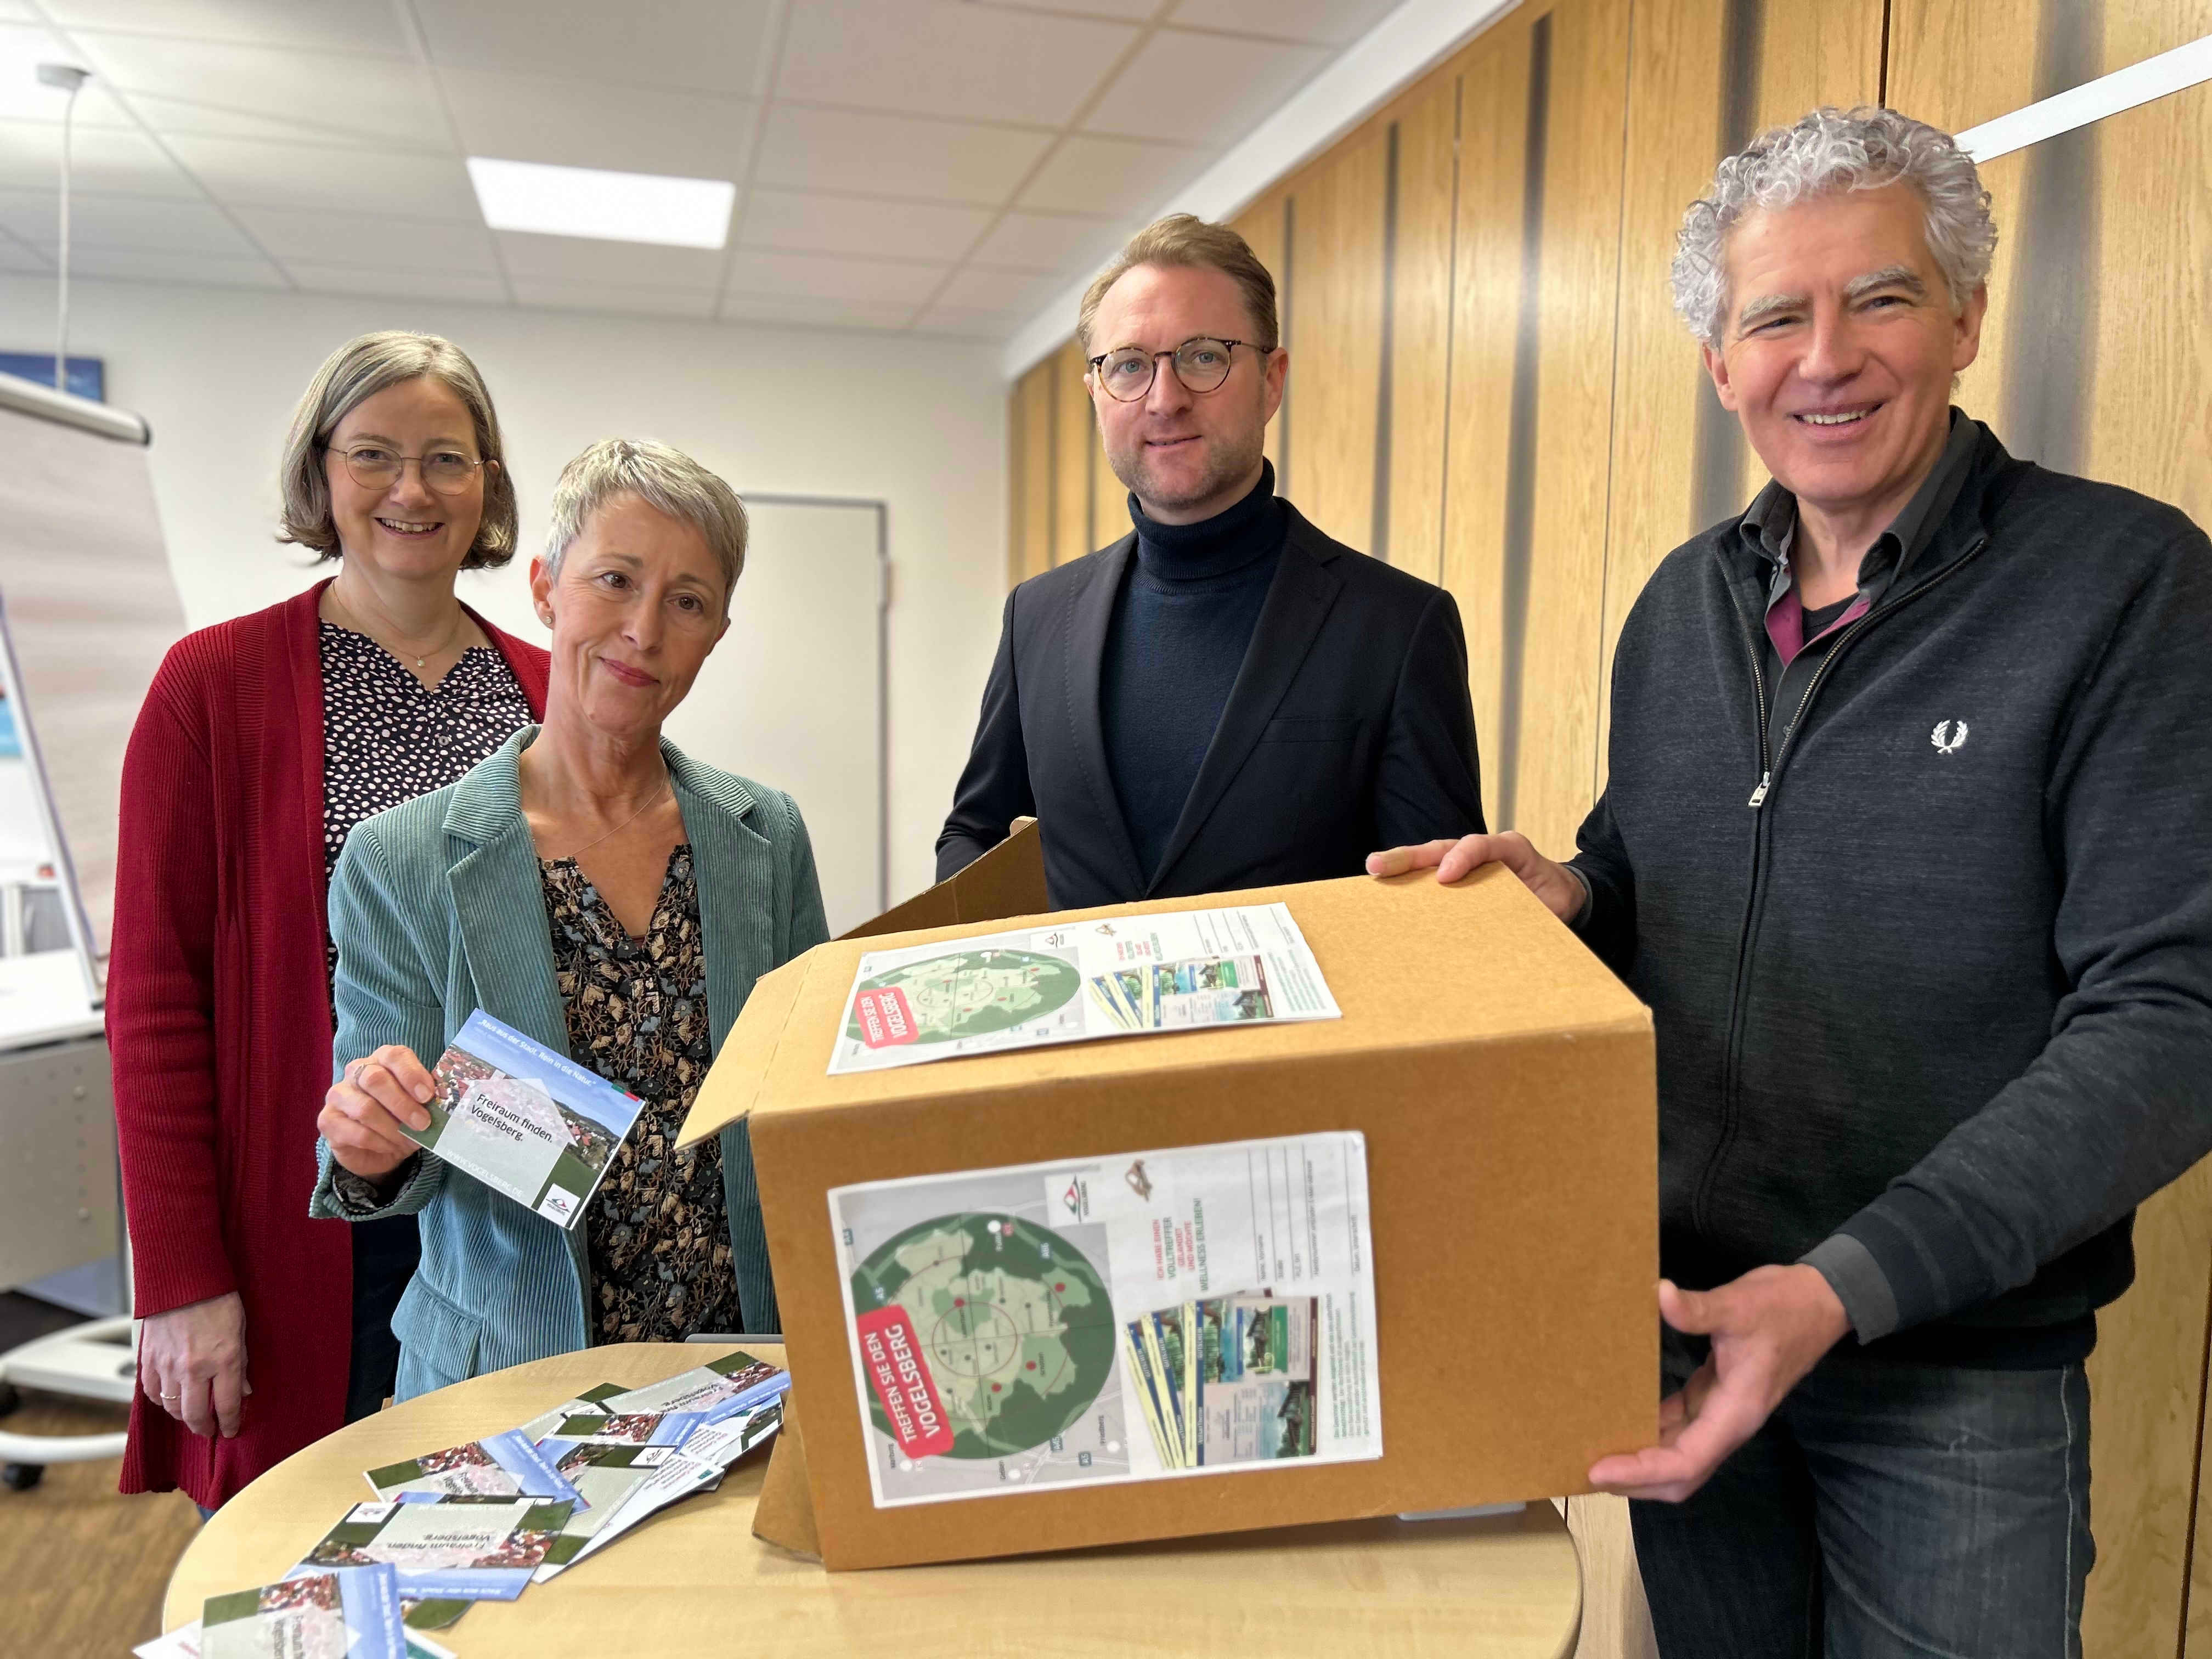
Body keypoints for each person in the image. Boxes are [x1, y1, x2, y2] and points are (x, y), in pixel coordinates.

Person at [1369, 107, 2212, 1656]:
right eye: (1776, 315)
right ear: (1721, 361)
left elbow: (2175, 1016)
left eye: (1880, 297)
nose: (1825, 355)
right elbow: (1657, 866)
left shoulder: (2127, 588)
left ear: (1965, 317)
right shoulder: (1681, 607)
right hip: (1685, 1338)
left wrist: (1844, 1286)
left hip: (1954, 1380)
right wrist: (1575, 896)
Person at [109, 332, 548, 1510]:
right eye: (375, 456)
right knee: (305, 1558)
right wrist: (182, 1278)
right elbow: (154, 1001)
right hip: (311, 1225)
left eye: (448, 459)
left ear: (490, 487)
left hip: (510, 1214)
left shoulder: (549, 694)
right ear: (321, 473)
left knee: (513, 1550)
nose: (412, 490)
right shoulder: (214, 686)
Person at [309, 438, 826, 1397]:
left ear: (716, 631)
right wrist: (371, 1138)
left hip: (740, 1369)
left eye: (687, 600)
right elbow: (389, 1147)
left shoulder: (766, 836)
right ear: (545, 588)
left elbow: (807, 1107)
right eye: (615, 580)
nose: (643, 630)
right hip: (512, 1378)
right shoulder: (403, 858)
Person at [938, 214, 1485, 908]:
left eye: (1203, 357)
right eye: (1130, 365)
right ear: (1098, 396)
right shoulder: (1038, 616)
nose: (1165, 400)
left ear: (1272, 380)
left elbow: (1438, 906)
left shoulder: (1398, 627)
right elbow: (975, 835)